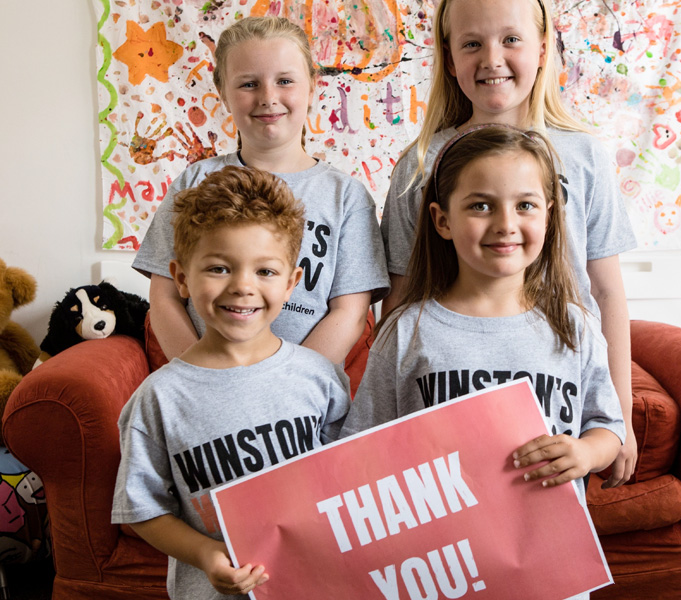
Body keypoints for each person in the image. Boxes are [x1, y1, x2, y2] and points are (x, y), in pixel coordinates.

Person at [379, 0, 637, 486]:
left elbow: (606, 291)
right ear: (449, 59)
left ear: (542, 49)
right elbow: (402, 293)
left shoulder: (584, 155)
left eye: (511, 39)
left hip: (556, 383)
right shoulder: (420, 164)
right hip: (450, 392)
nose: (491, 59)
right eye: (472, 44)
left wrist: (618, 420)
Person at [341, 126, 624, 515]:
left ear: (549, 217)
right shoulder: (406, 330)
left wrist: (587, 452)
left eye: (525, 205)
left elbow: (607, 426)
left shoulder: (575, 326)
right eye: (480, 206)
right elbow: (363, 446)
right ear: (442, 220)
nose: (506, 224)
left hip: (547, 538)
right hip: (441, 541)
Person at [112, 166, 351, 599]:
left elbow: (350, 479)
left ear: (291, 283)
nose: (243, 286)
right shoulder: (158, 398)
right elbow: (142, 508)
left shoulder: (321, 377)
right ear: (181, 278)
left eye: (265, 272)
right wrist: (205, 553)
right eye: (219, 268)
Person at [133, 16, 389, 372]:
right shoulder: (195, 181)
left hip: (303, 392)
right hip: (205, 385)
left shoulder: (346, 196)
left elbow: (350, 311)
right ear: (223, 94)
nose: (268, 98)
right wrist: (203, 376)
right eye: (249, 84)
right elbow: (164, 298)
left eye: (284, 81)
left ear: (312, 88)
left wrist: (284, 384)